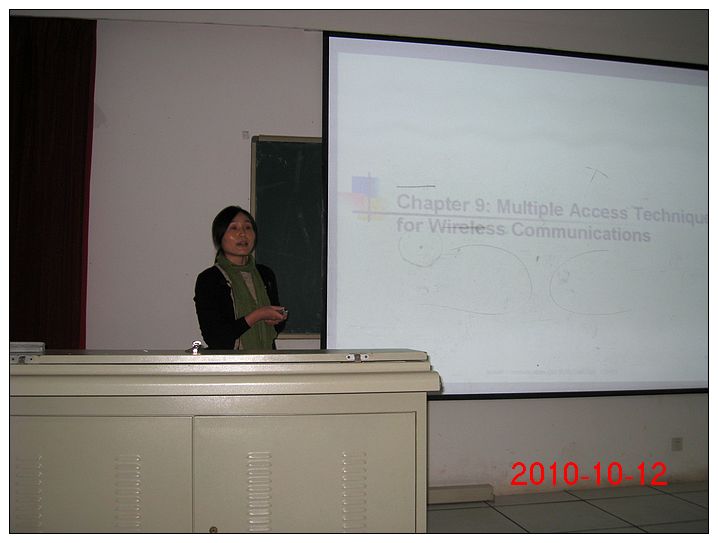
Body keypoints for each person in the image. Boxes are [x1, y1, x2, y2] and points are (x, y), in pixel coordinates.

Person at [194, 206, 287, 350]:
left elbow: (277, 327)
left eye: (248, 227)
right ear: (220, 236)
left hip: (266, 359)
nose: (243, 234)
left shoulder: (265, 274)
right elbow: (215, 338)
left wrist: (277, 318)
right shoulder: (209, 279)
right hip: (230, 362)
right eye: (234, 228)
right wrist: (257, 315)